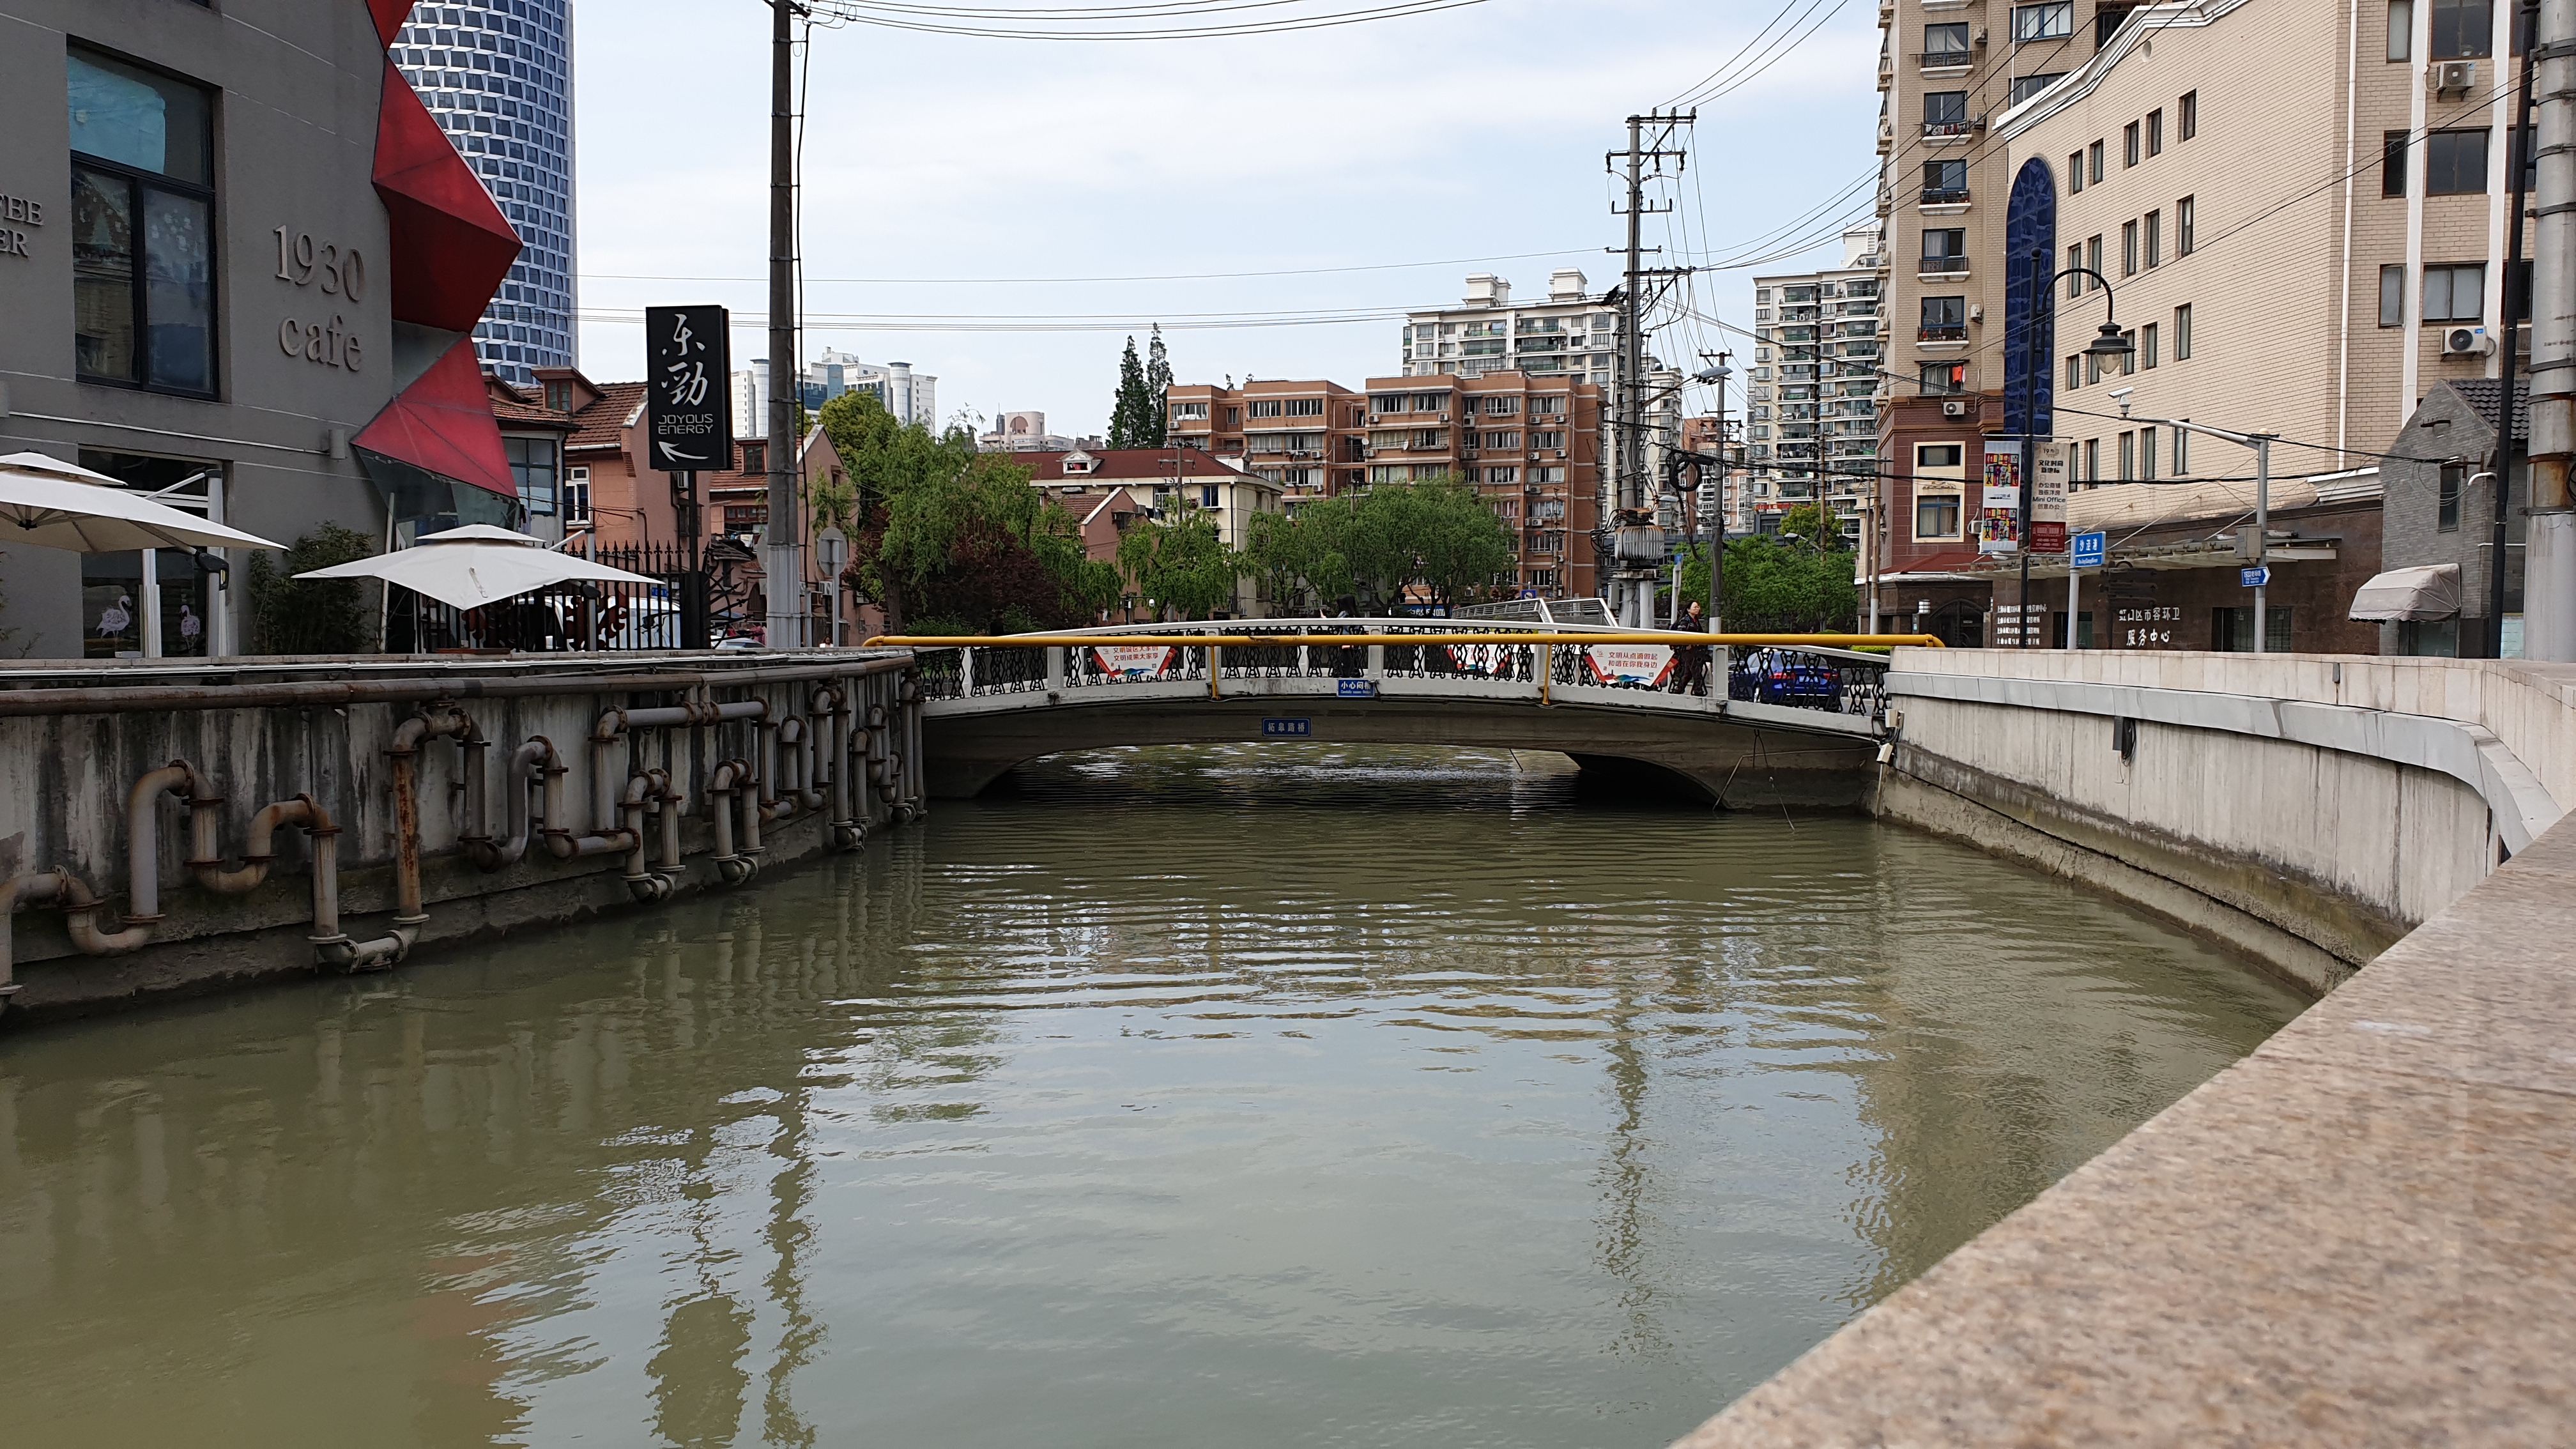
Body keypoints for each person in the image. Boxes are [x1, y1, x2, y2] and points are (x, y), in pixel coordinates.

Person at [1672, 600, 1711, 694]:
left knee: (1689, 671)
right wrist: (1687, 645)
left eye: (1698, 607)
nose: (1697, 609)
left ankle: (1680, 689)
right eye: (1695, 607)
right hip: (1687, 650)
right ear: (1688, 610)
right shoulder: (1685, 620)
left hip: (1695, 650)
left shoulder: (1696, 621)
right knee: (1695, 669)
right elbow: (1680, 634)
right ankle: (1698, 690)